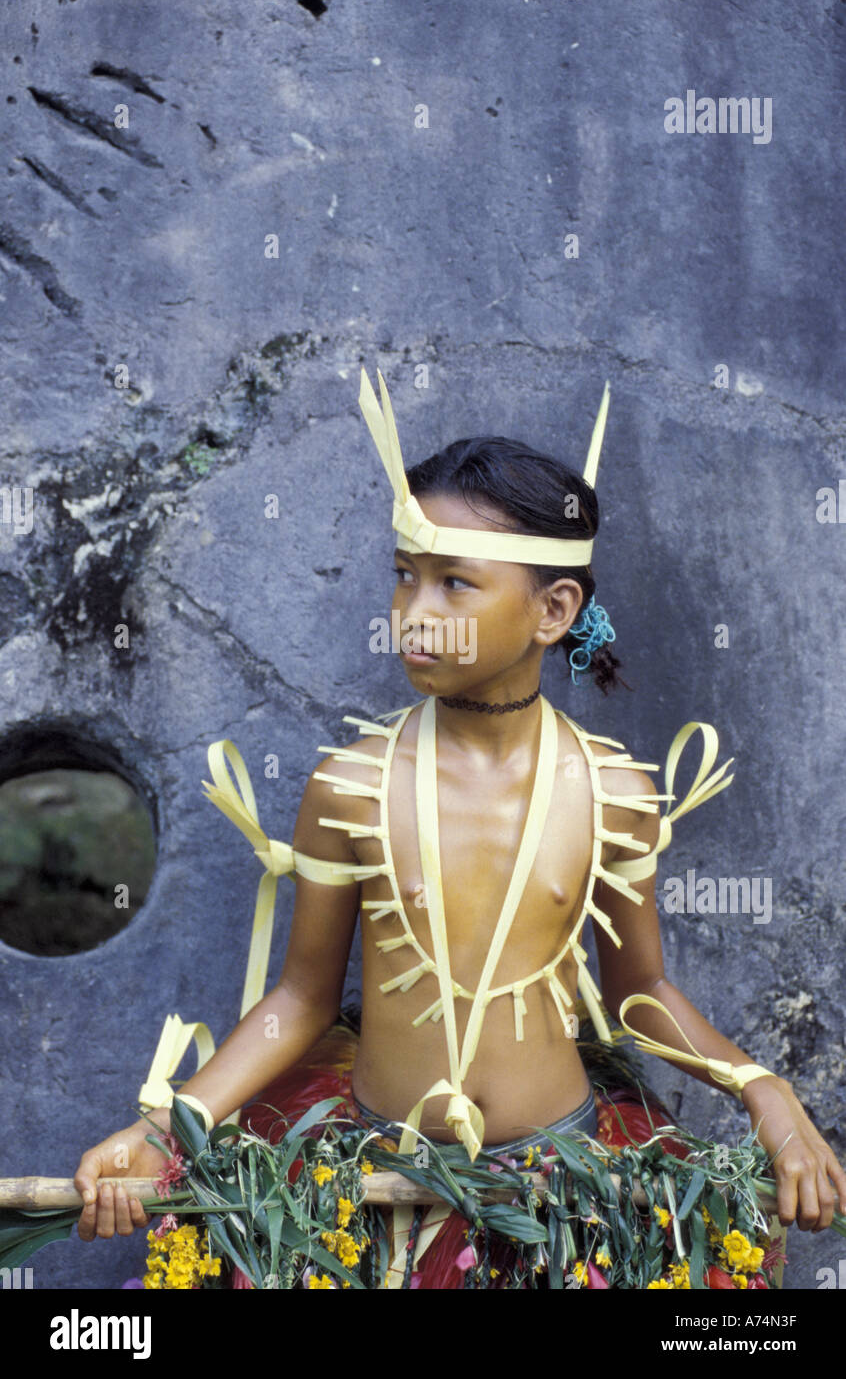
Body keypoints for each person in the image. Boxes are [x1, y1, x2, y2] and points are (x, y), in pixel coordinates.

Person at [74, 372, 846, 1287]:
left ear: (553, 612)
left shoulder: (616, 794)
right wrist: (161, 1124)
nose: (415, 616)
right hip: (372, 1185)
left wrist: (765, 1090)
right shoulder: (349, 786)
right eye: (404, 579)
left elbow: (641, 993)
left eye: (454, 585)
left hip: (565, 1187)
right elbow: (301, 1000)